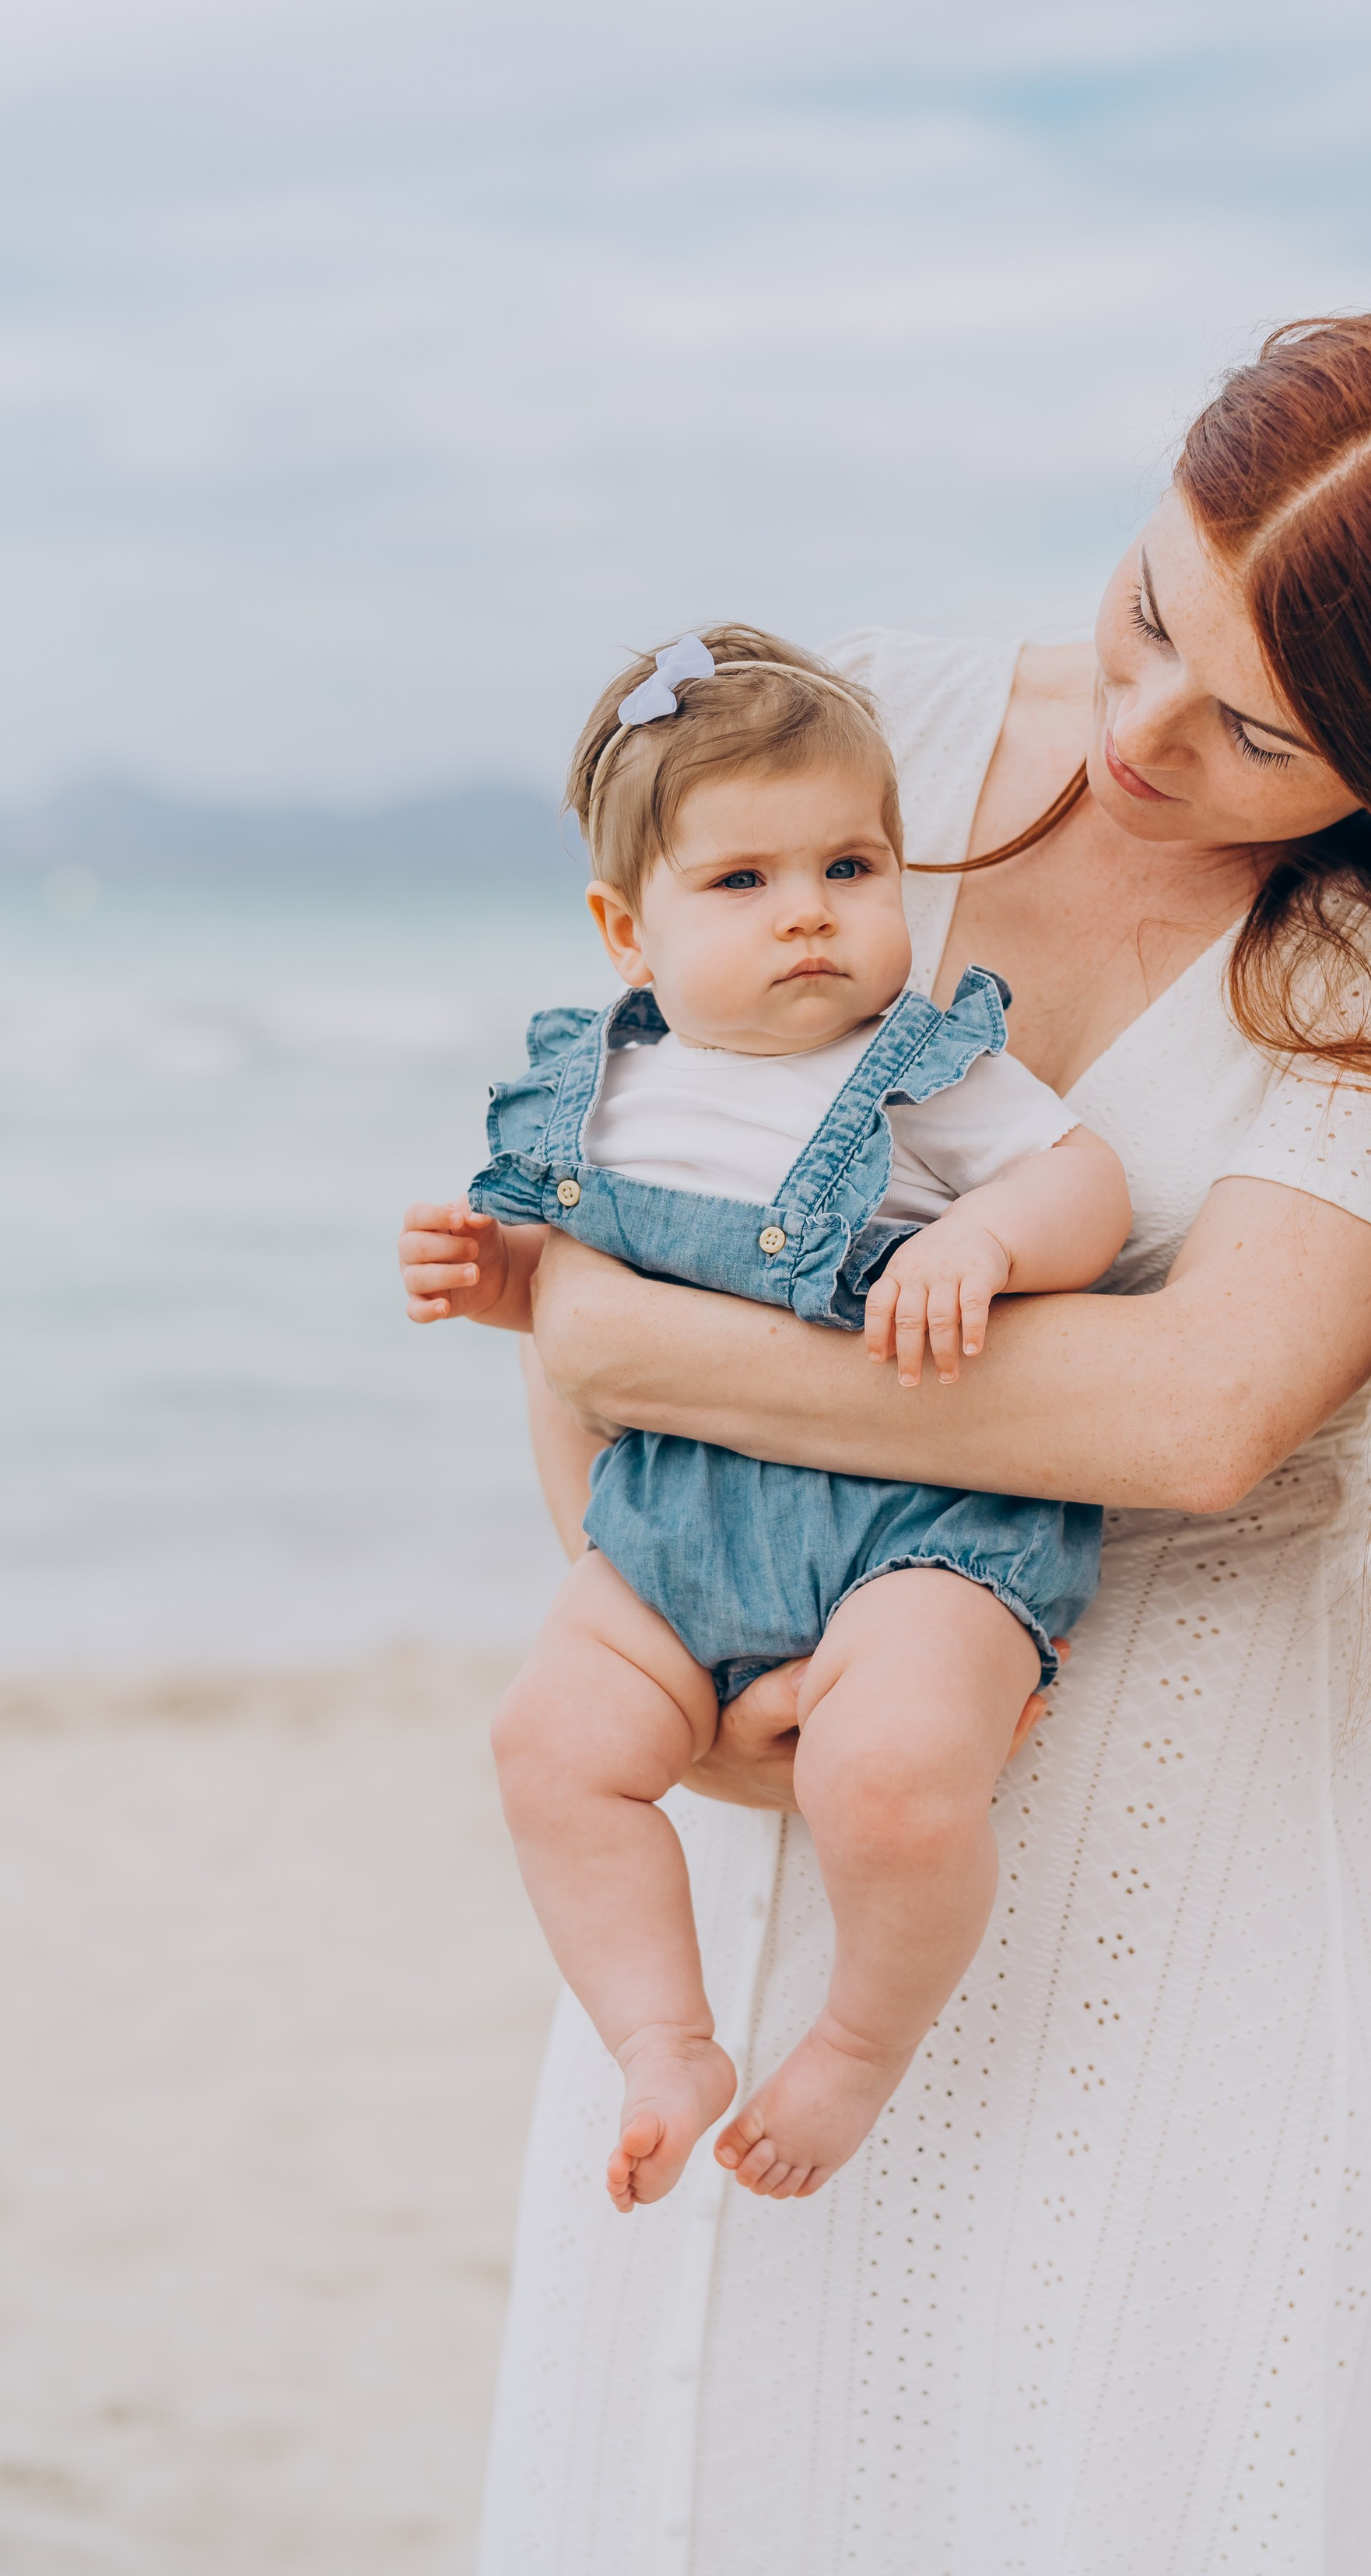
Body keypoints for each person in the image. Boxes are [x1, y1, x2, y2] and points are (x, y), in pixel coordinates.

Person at [475, 311, 1371, 2576]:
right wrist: (676, 1639)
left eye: (1262, 732)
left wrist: (632, 1333)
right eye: (1151, 608)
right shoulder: (869, 747)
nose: (1148, 730)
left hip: (1166, 1908)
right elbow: (619, 1149)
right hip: (771, 1864)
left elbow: (1189, 1414)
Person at [398, 627, 1128, 2211]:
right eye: (739, 882)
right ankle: (662, 2035)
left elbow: (1086, 1188)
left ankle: (859, 2041)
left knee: (888, 1774)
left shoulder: (924, 1067)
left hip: (916, 1524)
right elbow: (592, 1307)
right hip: (680, 1515)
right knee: (550, 1746)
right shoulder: (603, 1093)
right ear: (626, 931)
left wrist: (983, 1239)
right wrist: (498, 1273)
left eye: (849, 864)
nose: (808, 910)